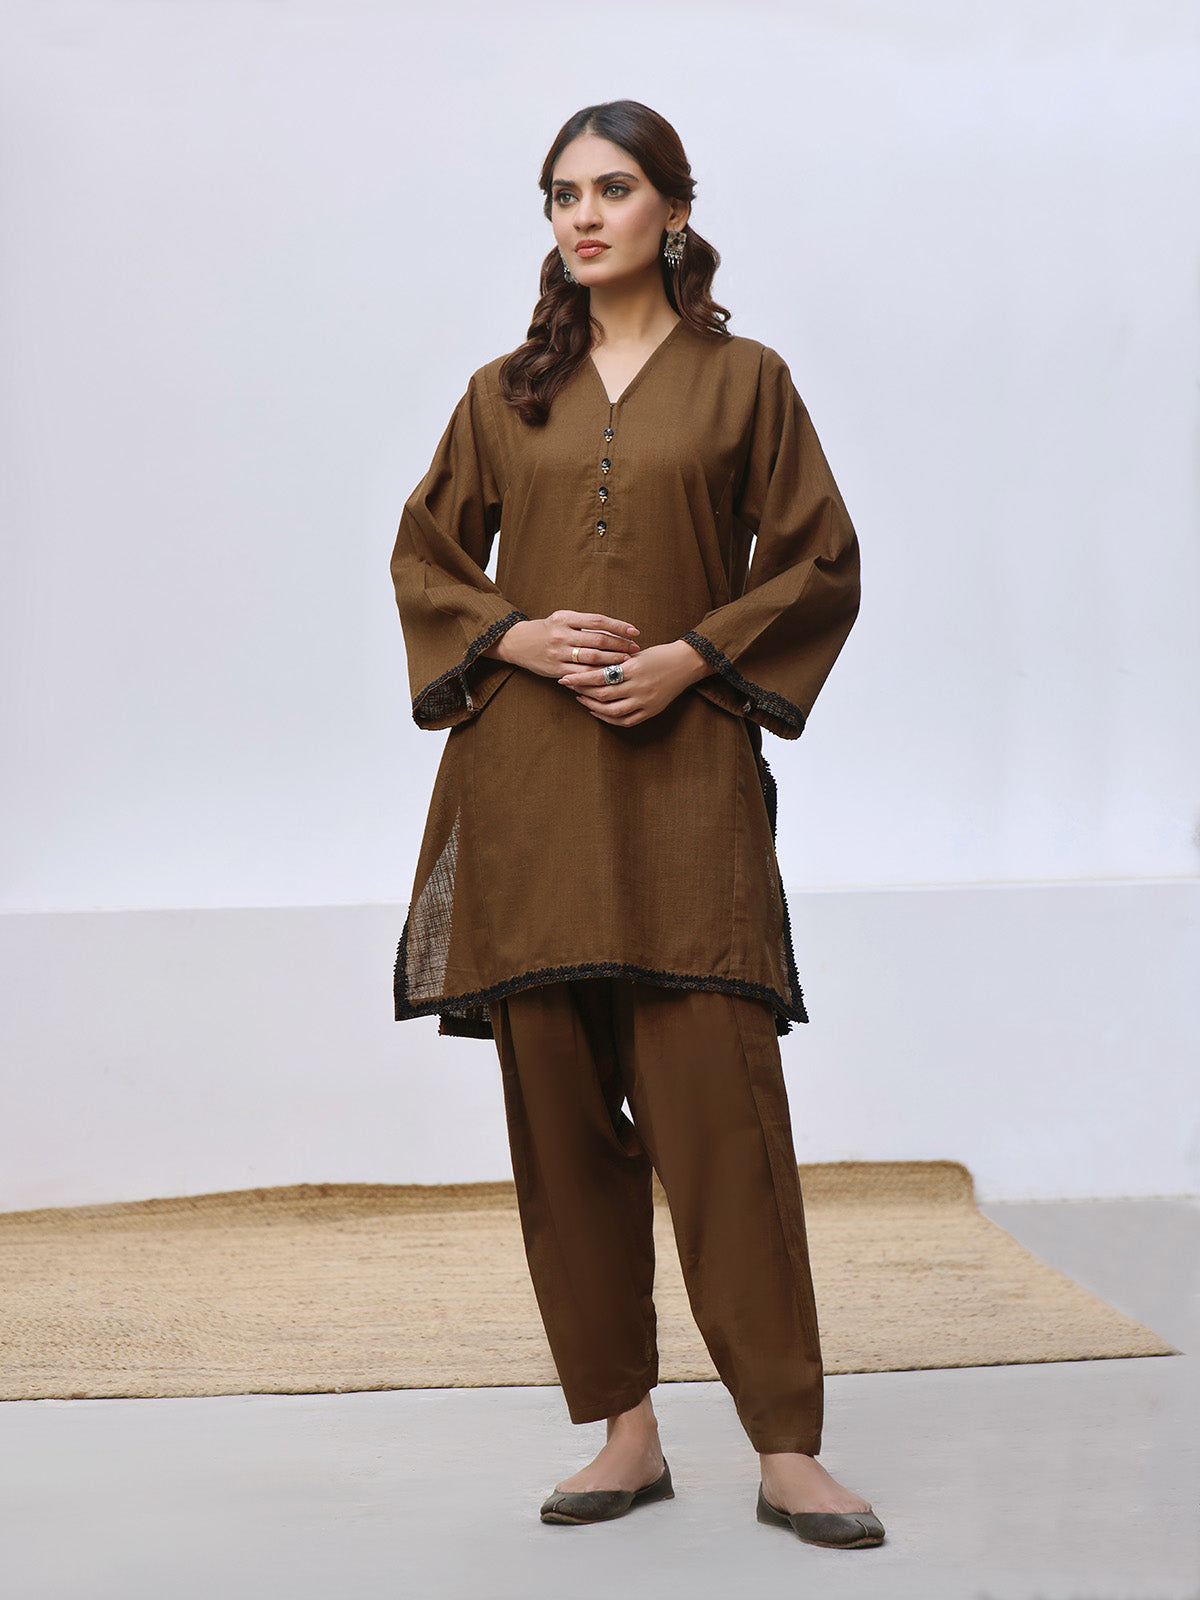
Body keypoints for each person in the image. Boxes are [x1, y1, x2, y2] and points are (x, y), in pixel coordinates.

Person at [388, 99, 883, 1550]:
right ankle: (623, 1429)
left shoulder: (746, 382)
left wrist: (694, 657)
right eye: (563, 196)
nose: (585, 216)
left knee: (721, 1120)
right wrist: (516, 636)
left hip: (681, 787)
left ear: (673, 207)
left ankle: (786, 1447)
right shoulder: (506, 394)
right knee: (559, 1124)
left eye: (612, 189)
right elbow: (426, 556)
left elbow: (819, 561)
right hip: (528, 794)